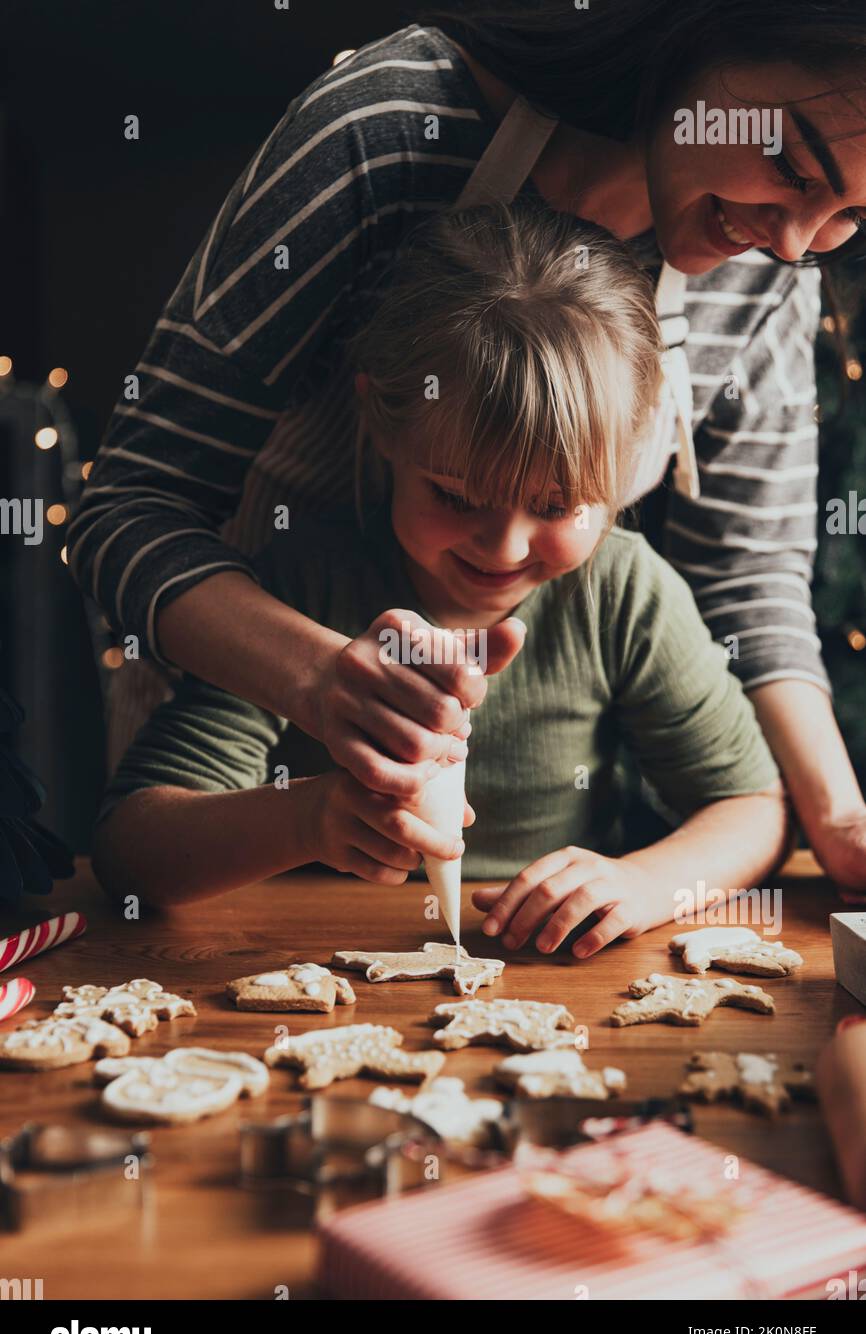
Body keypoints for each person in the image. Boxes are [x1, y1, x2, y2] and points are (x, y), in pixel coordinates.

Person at [70, 4, 866, 897]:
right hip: (245, 689)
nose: (797, 245)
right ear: (707, 29)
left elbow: (748, 580)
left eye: (853, 214)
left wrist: (838, 818)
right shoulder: (382, 133)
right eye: (794, 168)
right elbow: (134, 506)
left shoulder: (773, 269)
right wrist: (320, 683)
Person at [91, 203, 789, 959]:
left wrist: (650, 882)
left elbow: (751, 808)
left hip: (546, 982)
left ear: (627, 461)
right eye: (455, 496)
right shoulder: (302, 589)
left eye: (557, 505)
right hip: (312, 972)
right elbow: (132, 853)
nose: (504, 545)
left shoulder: (626, 596)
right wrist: (308, 820)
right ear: (382, 423)